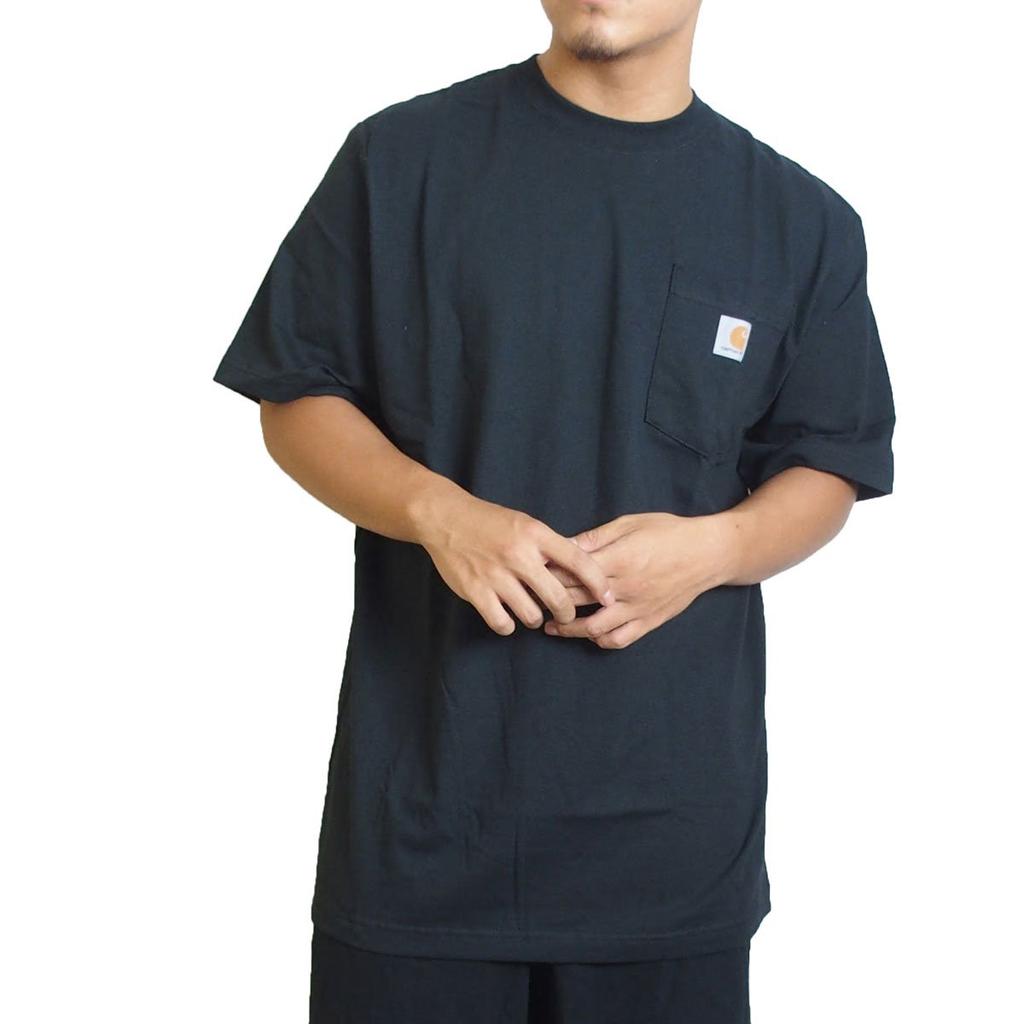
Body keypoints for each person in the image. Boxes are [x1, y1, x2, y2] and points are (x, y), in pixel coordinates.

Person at [212, 1, 896, 1020]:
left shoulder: (796, 219)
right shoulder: (402, 160)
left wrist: (714, 549)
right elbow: (294, 396)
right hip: (421, 831)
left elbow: (829, 462)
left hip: (669, 846)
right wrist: (434, 509)